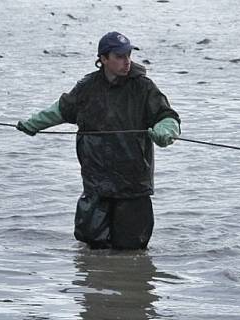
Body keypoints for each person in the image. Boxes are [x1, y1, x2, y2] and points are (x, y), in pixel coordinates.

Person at [17, 31, 180, 249]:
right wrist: (32, 124)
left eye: (128, 55)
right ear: (103, 59)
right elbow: (61, 110)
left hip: (133, 185)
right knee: (92, 247)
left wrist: (165, 132)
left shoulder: (143, 87)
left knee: (131, 249)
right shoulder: (87, 87)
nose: (127, 61)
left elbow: (168, 116)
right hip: (96, 182)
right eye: (120, 56)